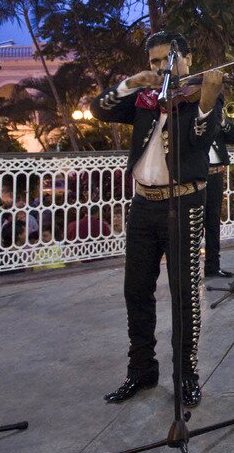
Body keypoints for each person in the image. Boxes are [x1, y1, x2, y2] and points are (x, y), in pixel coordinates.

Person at [91, 30, 224, 408]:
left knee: (185, 295)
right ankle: (141, 370)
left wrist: (205, 103)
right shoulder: (142, 99)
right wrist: (131, 83)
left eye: (168, 59)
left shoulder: (202, 93)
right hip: (143, 204)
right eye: (153, 62)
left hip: (184, 203)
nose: (161, 67)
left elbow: (201, 141)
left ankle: (186, 375)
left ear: (186, 59)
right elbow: (100, 108)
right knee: (136, 290)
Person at [203, 92, 234, 279]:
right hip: (196, 177)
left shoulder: (219, 120)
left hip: (216, 175)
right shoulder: (194, 118)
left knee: (213, 222)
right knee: (193, 223)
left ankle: (212, 266)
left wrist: (223, 122)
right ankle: (190, 266)